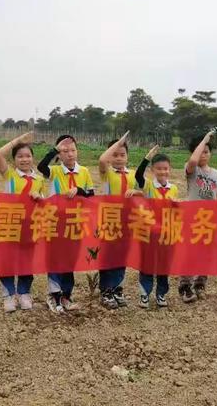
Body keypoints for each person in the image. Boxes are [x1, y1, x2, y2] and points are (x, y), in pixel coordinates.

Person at [37, 135, 94, 313]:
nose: (70, 154)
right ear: (59, 155)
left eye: (73, 150)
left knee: (69, 260)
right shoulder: (54, 171)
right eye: (65, 151)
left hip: (75, 222)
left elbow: (92, 196)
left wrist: (80, 190)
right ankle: (54, 296)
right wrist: (54, 149)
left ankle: (66, 296)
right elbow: (40, 167)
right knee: (55, 259)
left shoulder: (84, 171)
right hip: (55, 221)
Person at [0, 132, 45, 313]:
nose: (24, 160)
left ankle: (24, 292)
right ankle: (8, 294)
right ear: (14, 159)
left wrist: (39, 196)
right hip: (10, 223)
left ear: (33, 158)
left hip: (30, 225)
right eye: (20, 156)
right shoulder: (9, 175)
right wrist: (18, 140)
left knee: (26, 259)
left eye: (28, 156)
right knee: (7, 259)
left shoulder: (39, 179)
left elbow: (45, 202)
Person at [178, 132, 217, 303]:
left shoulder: (216, 174)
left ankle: (200, 283)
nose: (203, 154)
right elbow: (192, 161)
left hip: (209, 218)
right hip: (193, 217)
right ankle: (185, 285)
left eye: (207, 151)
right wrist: (204, 140)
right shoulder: (192, 169)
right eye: (200, 151)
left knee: (206, 253)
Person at [134, 146, 179, 308]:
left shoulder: (173, 188)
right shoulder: (148, 186)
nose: (162, 172)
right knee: (147, 264)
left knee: (163, 265)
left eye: (165, 169)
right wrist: (147, 157)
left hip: (166, 233)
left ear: (170, 169)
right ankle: (144, 294)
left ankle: (161, 294)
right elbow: (138, 175)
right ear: (152, 170)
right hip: (149, 233)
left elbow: (176, 211)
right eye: (159, 169)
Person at [97, 132, 137, 309]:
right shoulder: (106, 172)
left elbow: (141, 195)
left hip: (127, 221)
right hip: (109, 220)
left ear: (127, 156)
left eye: (122, 155)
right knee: (108, 256)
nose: (119, 158)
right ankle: (105, 289)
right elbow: (101, 160)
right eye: (115, 154)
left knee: (122, 256)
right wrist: (118, 143)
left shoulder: (133, 174)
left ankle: (117, 287)